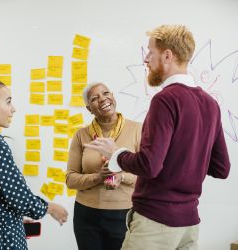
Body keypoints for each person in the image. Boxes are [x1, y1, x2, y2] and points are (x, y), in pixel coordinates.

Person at [85, 25, 231, 250]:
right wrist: (190, 157)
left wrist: (116, 154)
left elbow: (149, 165)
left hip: (155, 225)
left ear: (167, 55)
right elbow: (221, 168)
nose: (146, 59)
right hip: (189, 226)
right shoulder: (211, 105)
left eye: (150, 52)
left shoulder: (165, 100)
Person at [0, 79, 68, 250]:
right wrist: (50, 208)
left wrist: (12, 216)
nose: (13, 109)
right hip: (2, 239)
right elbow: (19, 197)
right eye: (8, 102)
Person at [66, 82, 142, 250]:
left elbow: (148, 175)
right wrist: (99, 177)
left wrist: (121, 177)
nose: (103, 99)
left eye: (106, 93)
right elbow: (70, 179)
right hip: (86, 216)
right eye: (95, 98)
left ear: (113, 96)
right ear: (89, 108)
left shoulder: (138, 129)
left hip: (125, 213)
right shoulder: (81, 135)